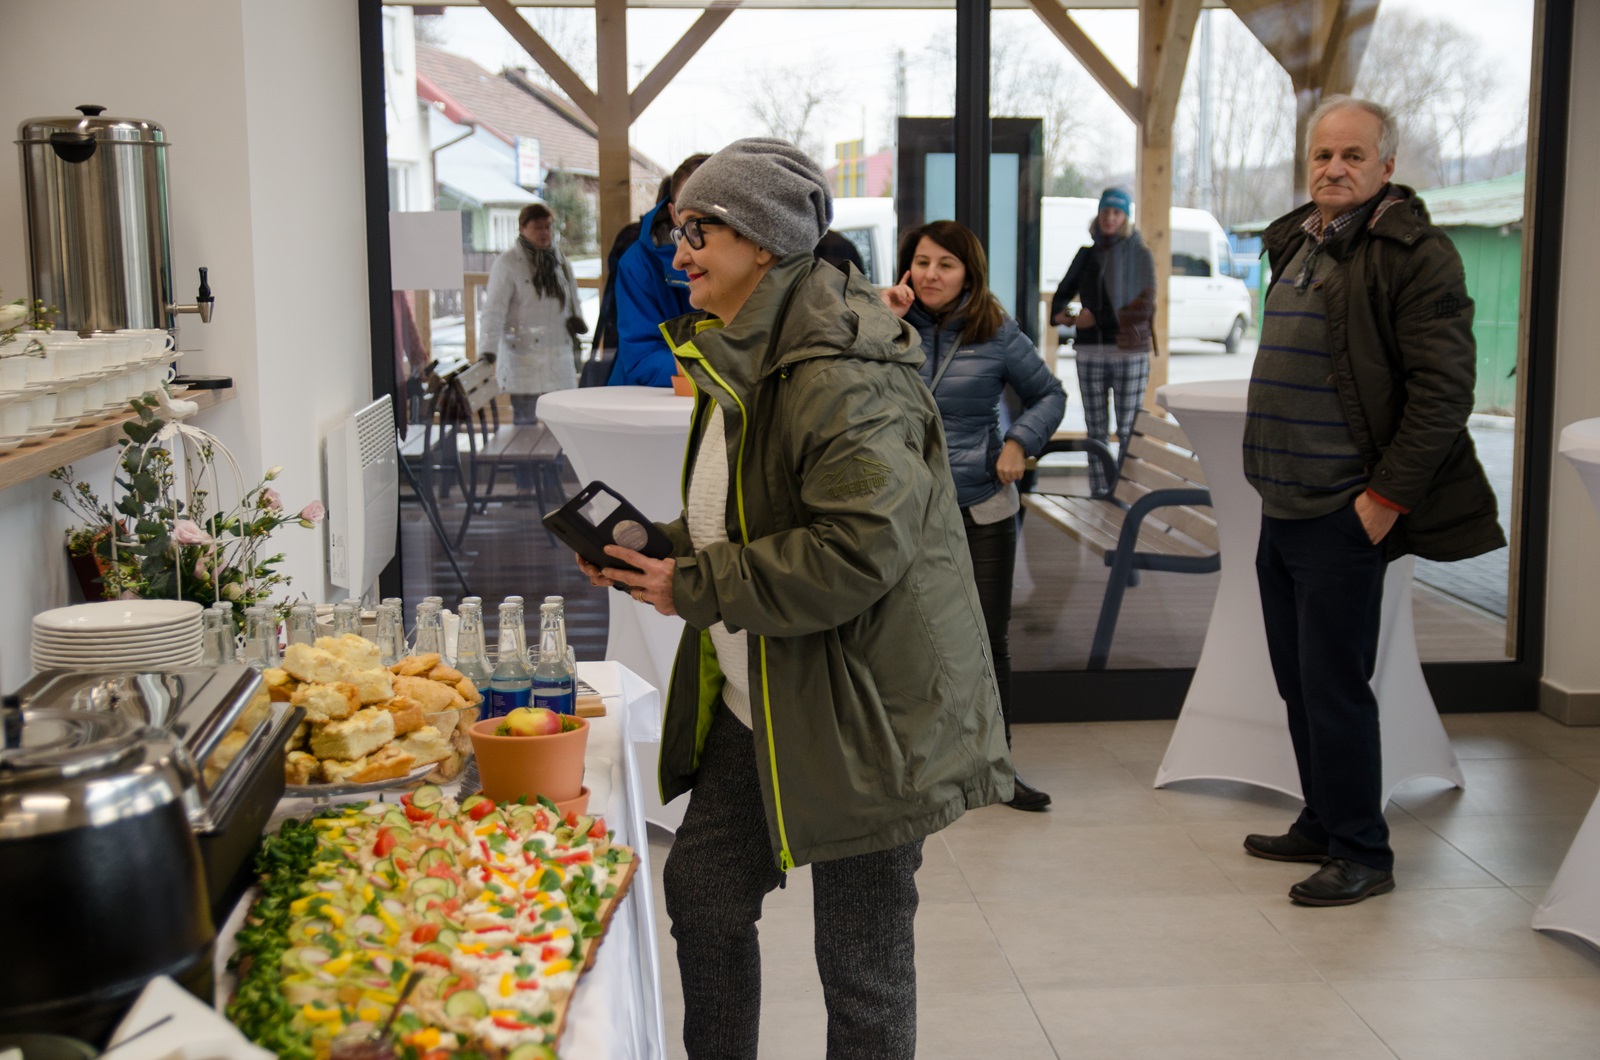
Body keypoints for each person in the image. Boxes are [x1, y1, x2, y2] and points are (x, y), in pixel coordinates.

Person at [576, 137, 1013, 1059]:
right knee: (704, 893)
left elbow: (859, 547)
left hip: (866, 712)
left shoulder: (839, 368)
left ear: (764, 246)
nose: (677, 247)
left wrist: (693, 583)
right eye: (675, 227)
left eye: (701, 229)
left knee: (860, 962)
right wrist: (657, 551)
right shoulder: (741, 350)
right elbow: (752, 511)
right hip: (767, 688)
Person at [1241, 96, 1504, 906]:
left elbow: (1443, 389)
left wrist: (1385, 499)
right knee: (1296, 680)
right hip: (1283, 505)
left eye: (1353, 156)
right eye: (1322, 156)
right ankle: (1323, 818)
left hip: (1343, 511)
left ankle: (1363, 851)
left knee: (1335, 686)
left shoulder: (1415, 255)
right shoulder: (1298, 239)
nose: (1334, 170)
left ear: (1387, 166)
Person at [880, 220, 1066, 812]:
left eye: (946, 265)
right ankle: (912, 766)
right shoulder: (882, 322)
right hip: (903, 509)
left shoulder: (997, 332)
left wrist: (1018, 444)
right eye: (923, 262)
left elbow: (1050, 395)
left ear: (969, 274)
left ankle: (1000, 767)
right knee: (905, 640)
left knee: (988, 639)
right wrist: (880, 319)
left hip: (980, 503)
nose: (932, 274)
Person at [1050, 186, 1157, 496]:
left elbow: (1146, 305)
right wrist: (1070, 318)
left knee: (1128, 430)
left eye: (1117, 212)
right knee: (1096, 430)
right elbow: (1059, 300)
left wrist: (1097, 317)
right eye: (1105, 211)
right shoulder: (1086, 255)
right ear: (1098, 214)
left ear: (1126, 217)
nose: (1110, 217)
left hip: (1129, 353)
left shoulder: (1140, 253)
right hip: (1090, 354)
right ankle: (1100, 492)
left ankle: (1125, 492)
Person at [477, 202, 586, 496]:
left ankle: (551, 482)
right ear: (523, 228)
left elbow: (572, 297)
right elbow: (494, 310)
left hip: (557, 354)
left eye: (548, 226)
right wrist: (487, 351)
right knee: (525, 424)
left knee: (557, 424)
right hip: (522, 356)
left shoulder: (559, 260)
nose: (544, 232)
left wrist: (579, 323)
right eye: (538, 226)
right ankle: (526, 485)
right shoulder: (508, 263)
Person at [609, 153, 709, 386]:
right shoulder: (637, 263)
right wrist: (717, 369)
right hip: (648, 404)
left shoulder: (739, 254)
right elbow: (642, 356)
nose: (681, 261)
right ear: (674, 213)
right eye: (690, 213)